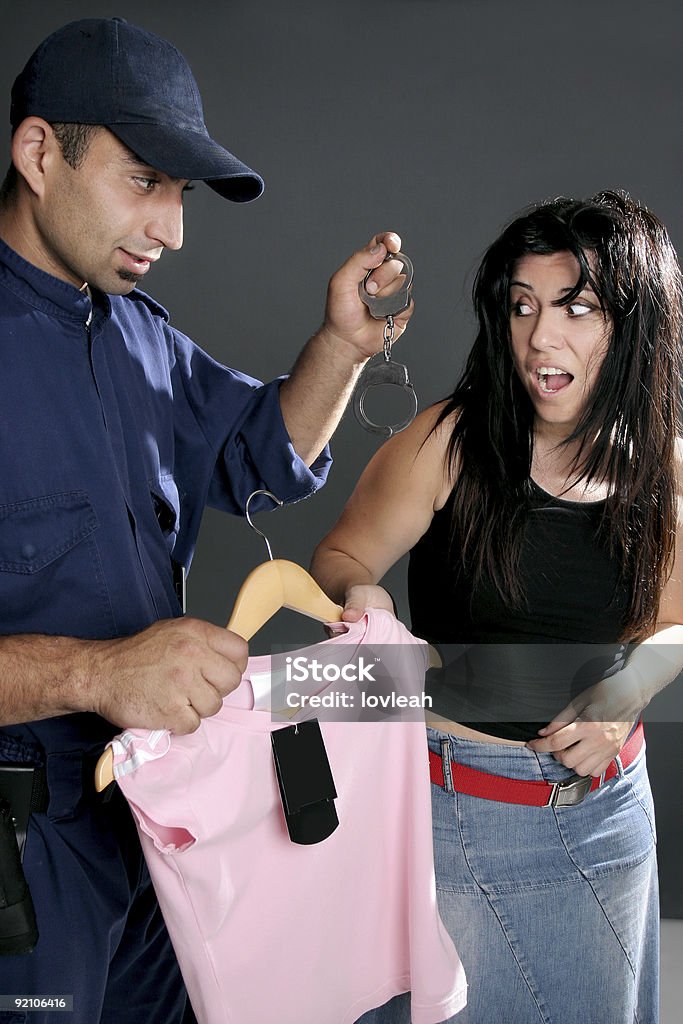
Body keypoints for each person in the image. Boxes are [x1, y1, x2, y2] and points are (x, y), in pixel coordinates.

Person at [0, 16, 413, 1024]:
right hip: (18, 851)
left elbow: (256, 454)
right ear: (40, 152)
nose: (172, 230)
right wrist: (97, 673)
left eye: (181, 194)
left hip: (153, 817)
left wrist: (339, 346)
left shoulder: (136, 334)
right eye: (145, 180)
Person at [312, 190, 683, 1024]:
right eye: (522, 306)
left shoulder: (664, 470)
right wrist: (361, 596)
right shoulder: (447, 441)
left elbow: (673, 626)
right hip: (453, 814)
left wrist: (629, 695)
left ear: (635, 325)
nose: (539, 338)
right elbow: (339, 556)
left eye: (575, 309)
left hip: (606, 819)